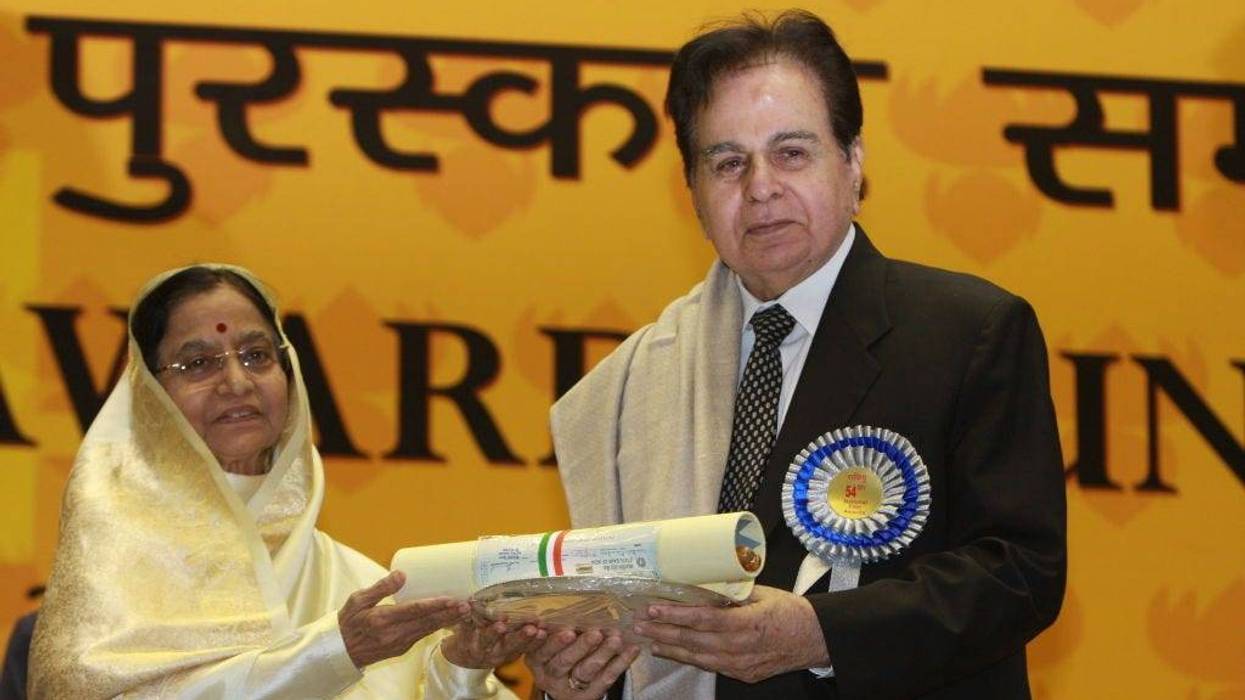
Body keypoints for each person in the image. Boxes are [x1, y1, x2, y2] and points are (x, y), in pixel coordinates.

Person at [539, 10, 1066, 700]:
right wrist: (566, 682)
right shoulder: (634, 381)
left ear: (852, 163)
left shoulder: (967, 331)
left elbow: (1019, 573)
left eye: (791, 153)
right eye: (727, 163)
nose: (760, 188)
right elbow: (621, 618)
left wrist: (821, 633)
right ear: (692, 195)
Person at [28, 265, 538, 698]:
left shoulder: (359, 584)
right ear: (151, 397)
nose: (236, 382)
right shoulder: (115, 563)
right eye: (199, 363)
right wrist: (334, 651)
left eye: (256, 355)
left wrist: (464, 668)